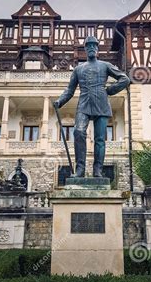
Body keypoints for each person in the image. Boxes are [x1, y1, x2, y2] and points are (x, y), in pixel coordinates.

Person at [54, 36, 130, 177]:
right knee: (78, 132)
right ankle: (80, 169)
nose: (91, 48)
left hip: (101, 104)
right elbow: (69, 90)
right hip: (83, 104)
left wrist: (110, 90)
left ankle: (97, 170)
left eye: (94, 45)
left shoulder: (105, 65)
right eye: (88, 46)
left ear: (97, 49)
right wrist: (60, 101)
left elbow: (125, 79)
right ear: (85, 49)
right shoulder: (78, 69)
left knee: (100, 139)